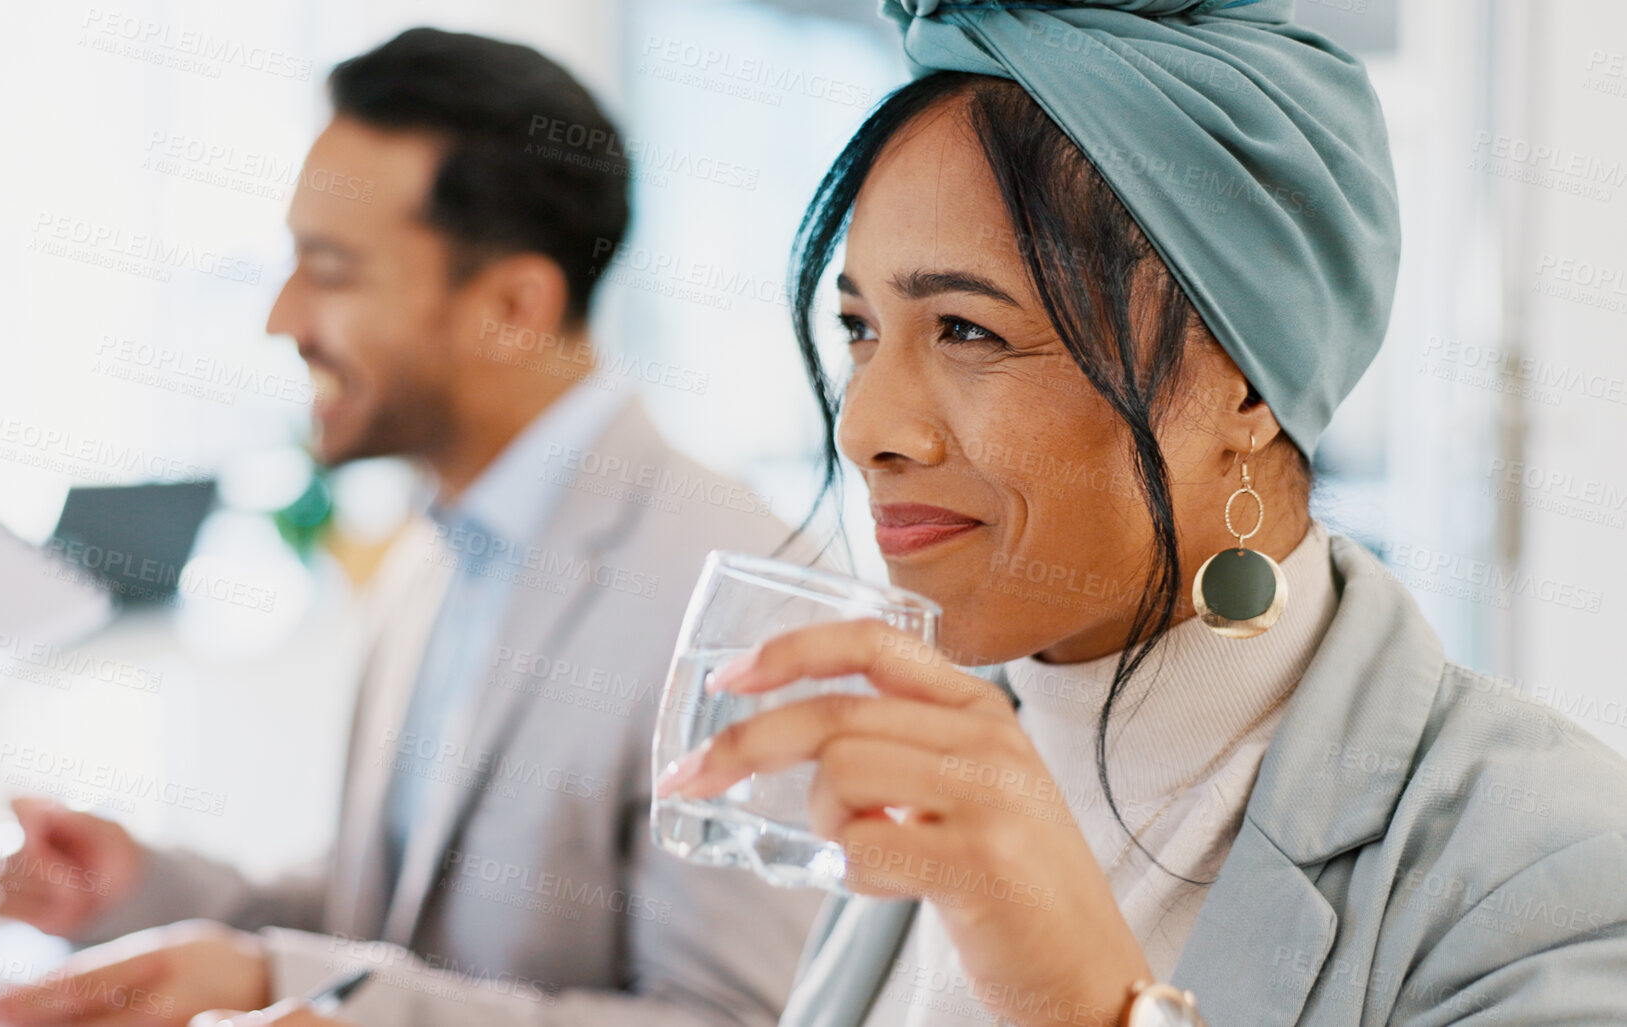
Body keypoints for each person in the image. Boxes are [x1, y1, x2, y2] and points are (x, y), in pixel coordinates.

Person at [644, 2, 1625, 1026]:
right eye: (859, 328)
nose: (866, 428)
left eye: (968, 328)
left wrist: (1094, 1004)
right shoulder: (935, 765)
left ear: (1242, 383)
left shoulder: (1552, 877)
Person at [0, 29, 820, 1027]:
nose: (281, 318)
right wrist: (135, 888)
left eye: (330, 271)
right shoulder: (432, 548)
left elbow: (727, 1020)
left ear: (515, 305)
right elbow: (384, 926)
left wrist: (285, 989)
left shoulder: (749, 599)